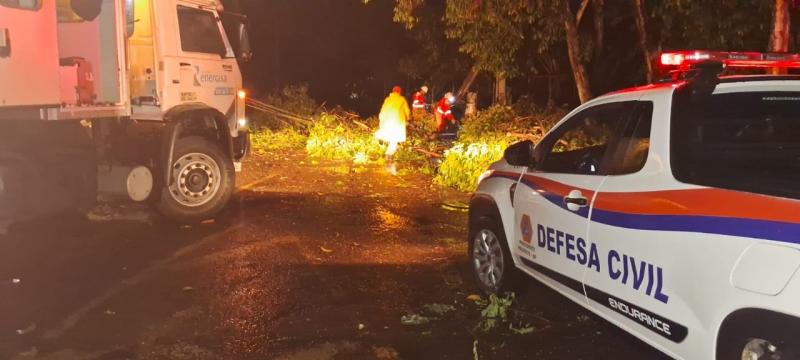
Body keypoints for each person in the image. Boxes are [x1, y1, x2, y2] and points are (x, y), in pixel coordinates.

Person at [375, 86, 410, 171]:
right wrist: (409, 118)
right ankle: (388, 154)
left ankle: (379, 136)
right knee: (394, 139)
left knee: (385, 133)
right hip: (398, 122)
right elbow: (407, 111)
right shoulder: (402, 99)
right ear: (399, 92)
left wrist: (381, 119)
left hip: (387, 120)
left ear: (392, 92)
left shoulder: (387, 99)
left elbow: (382, 109)